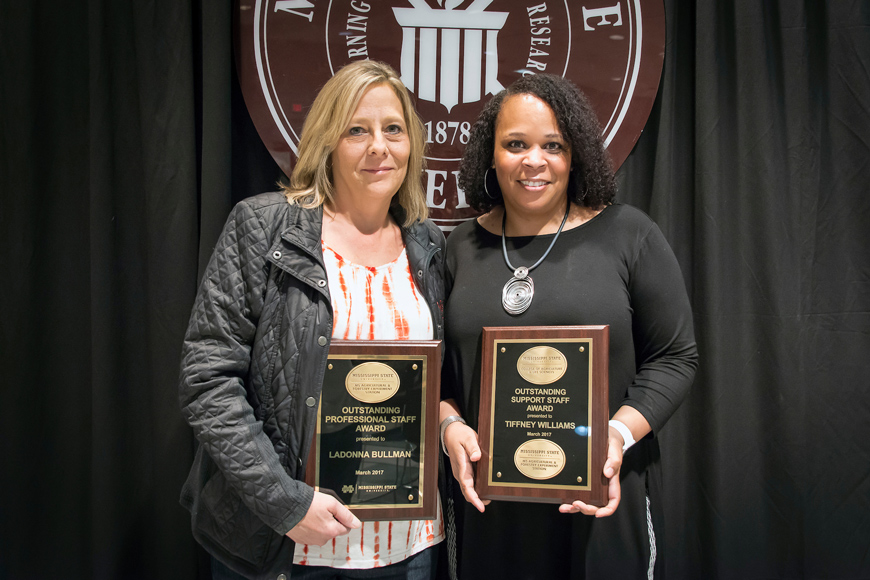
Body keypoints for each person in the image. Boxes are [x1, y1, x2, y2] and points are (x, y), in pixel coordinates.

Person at [179, 60, 447, 580]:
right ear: (327, 140)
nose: (378, 147)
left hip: (407, 547)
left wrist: (452, 424)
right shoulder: (264, 226)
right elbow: (208, 379)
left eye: (393, 129)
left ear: (411, 142)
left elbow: (434, 380)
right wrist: (285, 504)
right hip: (290, 545)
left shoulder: (427, 243)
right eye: (356, 130)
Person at [439, 74, 698, 579]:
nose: (534, 160)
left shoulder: (629, 234)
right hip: (491, 515)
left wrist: (618, 436)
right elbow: (438, 374)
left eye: (552, 145)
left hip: (600, 503)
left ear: (574, 154)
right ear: (490, 156)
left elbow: (675, 357)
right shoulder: (457, 248)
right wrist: (450, 428)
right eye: (515, 144)